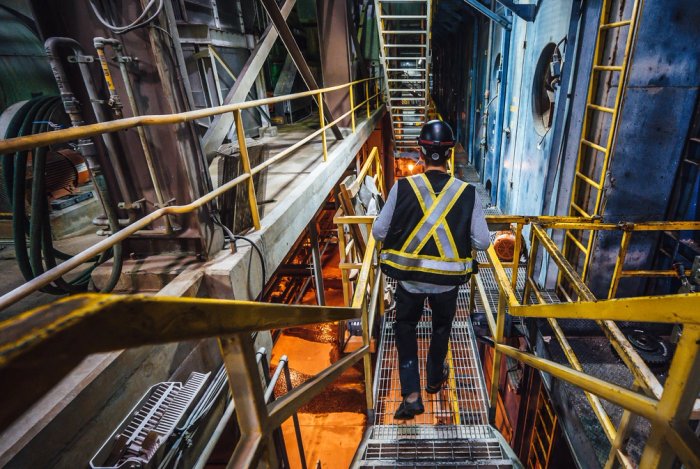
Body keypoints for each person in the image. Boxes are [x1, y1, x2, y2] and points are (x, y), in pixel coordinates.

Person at [372, 120, 490, 420]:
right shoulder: (467, 193)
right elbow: (482, 241)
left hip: (409, 281)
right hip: (447, 284)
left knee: (405, 329)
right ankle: (435, 380)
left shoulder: (402, 188)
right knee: (441, 329)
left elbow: (379, 232)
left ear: (421, 154)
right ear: (449, 155)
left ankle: (412, 396)